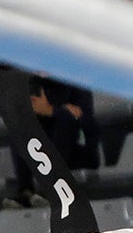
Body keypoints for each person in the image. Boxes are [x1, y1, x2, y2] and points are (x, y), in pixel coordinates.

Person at [7, 74, 100, 208]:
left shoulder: (77, 81)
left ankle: (54, 188)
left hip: (77, 150)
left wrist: (52, 111)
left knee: (66, 118)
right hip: (45, 154)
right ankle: (25, 191)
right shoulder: (35, 85)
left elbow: (85, 120)